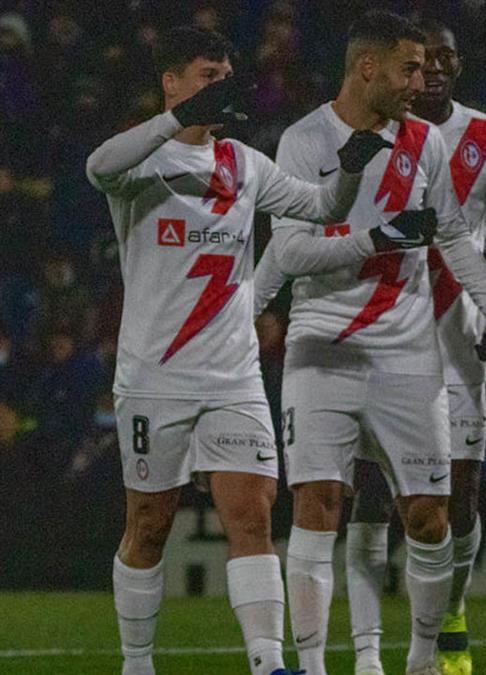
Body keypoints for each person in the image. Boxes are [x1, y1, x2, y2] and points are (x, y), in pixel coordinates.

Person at [86, 24, 391, 675]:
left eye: (225, 79)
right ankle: (136, 663)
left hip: (234, 376)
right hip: (155, 376)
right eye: (206, 78)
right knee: (149, 524)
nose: (218, 90)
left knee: (252, 514)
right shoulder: (142, 161)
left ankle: (267, 661)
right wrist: (176, 121)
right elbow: (96, 166)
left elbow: (318, 205)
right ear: (172, 82)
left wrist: (351, 169)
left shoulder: (244, 163)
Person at [250, 12, 486, 675]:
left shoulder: (426, 141)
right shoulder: (304, 138)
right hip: (323, 346)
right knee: (318, 504)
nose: (420, 80)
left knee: (430, 517)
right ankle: (314, 666)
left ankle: (423, 659)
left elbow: (453, 232)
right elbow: (289, 251)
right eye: (409, 68)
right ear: (367, 67)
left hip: (408, 351)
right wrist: (376, 238)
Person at [328, 18, 486, 675]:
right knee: (368, 491)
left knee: (459, 496)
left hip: (458, 334)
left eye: (446, 59)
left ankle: (450, 613)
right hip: (379, 327)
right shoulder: (366, 135)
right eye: (423, 62)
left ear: (458, 65)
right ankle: (368, 654)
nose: (435, 71)